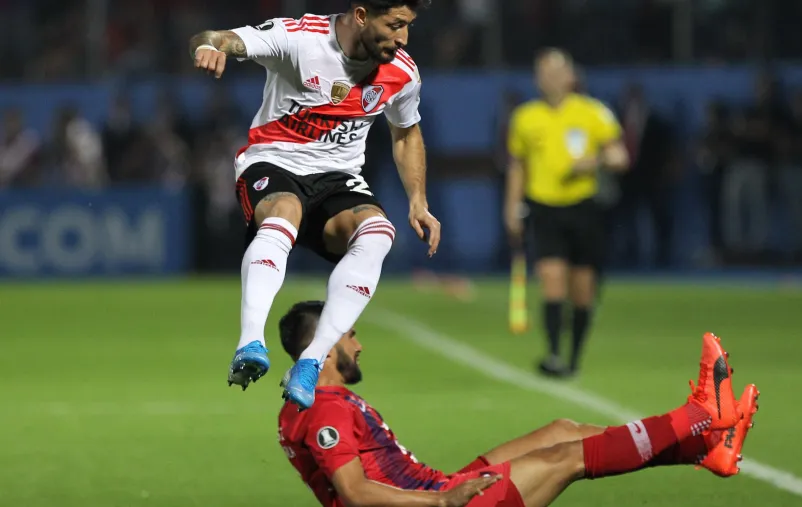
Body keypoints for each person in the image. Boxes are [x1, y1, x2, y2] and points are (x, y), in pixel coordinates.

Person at [188, 0, 441, 410]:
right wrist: (211, 46)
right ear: (362, 16)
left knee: (379, 234)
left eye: (407, 26)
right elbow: (216, 38)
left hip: (337, 179)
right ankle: (250, 342)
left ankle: (310, 362)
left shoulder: (402, 73)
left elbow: (406, 133)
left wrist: (418, 200)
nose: (403, 38)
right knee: (285, 211)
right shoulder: (299, 39)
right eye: (395, 25)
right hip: (274, 160)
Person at [276, 300, 760, 507]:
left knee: (560, 431)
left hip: (441, 489)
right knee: (567, 457)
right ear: (327, 344)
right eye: (351, 334)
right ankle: (698, 415)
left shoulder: (313, 400)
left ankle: (703, 448)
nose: (359, 345)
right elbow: (356, 495)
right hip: (442, 504)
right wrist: (444, 500)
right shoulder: (325, 410)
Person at [504, 48, 630, 378]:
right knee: (551, 280)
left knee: (583, 288)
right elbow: (518, 166)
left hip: (583, 208)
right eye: (544, 73)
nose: (551, 79)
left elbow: (620, 156)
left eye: (557, 72)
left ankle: (574, 356)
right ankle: (554, 354)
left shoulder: (593, 112)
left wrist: (596, 161)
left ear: (571, 76)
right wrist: (512, 207)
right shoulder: (525, 117)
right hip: (544, 207)